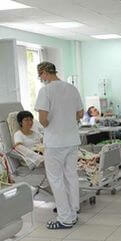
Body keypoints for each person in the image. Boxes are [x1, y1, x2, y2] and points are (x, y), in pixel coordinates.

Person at [35, 61, 84, 230]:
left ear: (44, 72)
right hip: (72, 141)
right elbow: (80, 113)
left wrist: (53, 127)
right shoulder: (72, 88)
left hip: (55, 143)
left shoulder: (46, 91)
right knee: (71, 176)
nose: (41, 78)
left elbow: (42, 119)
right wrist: (67, 122)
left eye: (40, 75)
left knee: (56, 180)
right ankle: (73, 213)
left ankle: (64, 218)